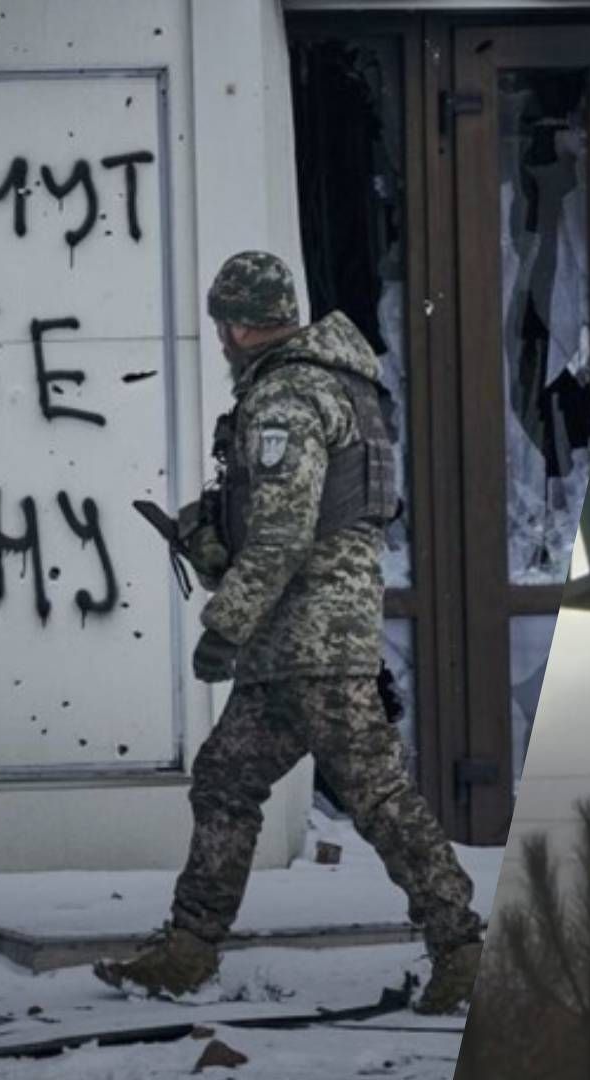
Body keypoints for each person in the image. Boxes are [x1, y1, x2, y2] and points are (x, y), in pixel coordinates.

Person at [94, 251, 484, 1014]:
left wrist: (222, 627)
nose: (220, 339)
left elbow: (281, 534)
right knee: (226, 779)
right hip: (299, 642)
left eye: (220, 324)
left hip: (311, 643)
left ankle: (464, 951)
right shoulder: (337, 383)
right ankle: (188, 949)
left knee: (378, 799)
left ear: (238, 323)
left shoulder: (286, 398)